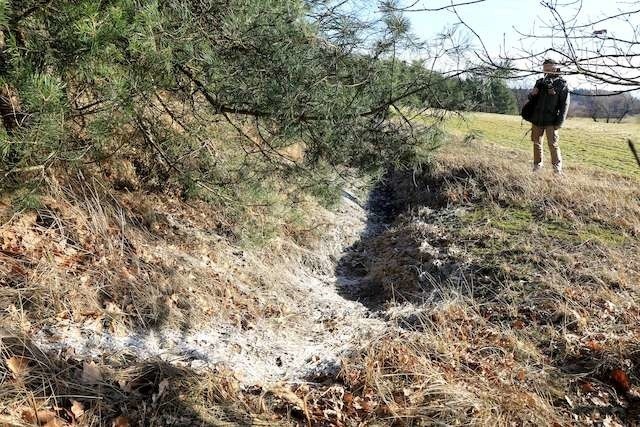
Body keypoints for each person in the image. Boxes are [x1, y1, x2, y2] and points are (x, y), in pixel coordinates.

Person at [528, 59, 570, 173]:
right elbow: (532, 99)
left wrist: (559, 123)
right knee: (536, 143)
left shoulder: (562, 84)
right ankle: (537, 166)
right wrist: (532, 94)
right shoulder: (540, 82)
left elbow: (564, 105)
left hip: (552, 120)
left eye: (548, 69)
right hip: (537, 119)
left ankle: (557, 170)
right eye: (544, 69)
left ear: (555, 68)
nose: (546, 71)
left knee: (553, 144)